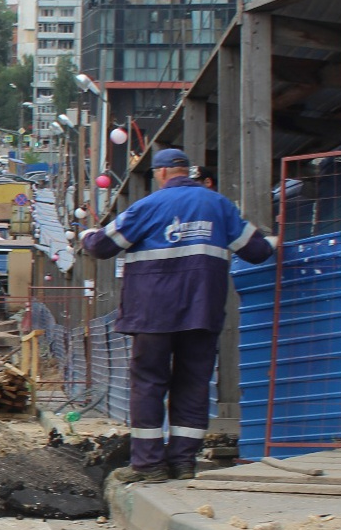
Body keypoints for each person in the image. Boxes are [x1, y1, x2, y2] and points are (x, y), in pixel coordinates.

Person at [81, 147, 274, 483]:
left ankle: (149, 465)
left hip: (152, 314)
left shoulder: (147, 206)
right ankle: (184, 462)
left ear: (160, 173)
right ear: (189, 171)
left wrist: (85, 235)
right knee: (194, 384)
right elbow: (256, 252)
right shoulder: (220, 206)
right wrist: (274, 241)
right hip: (202, 312)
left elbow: (102, 246)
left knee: (148, 384)